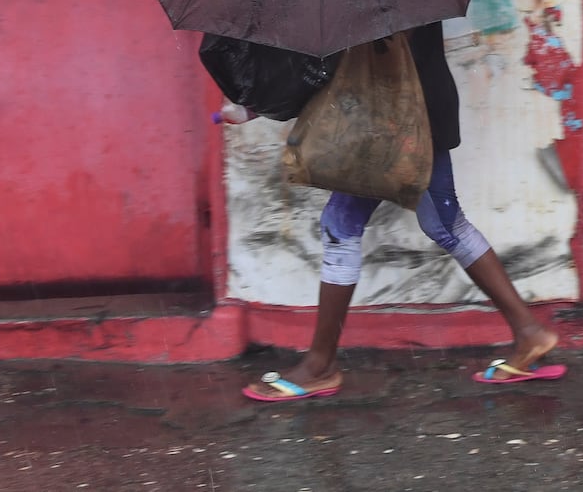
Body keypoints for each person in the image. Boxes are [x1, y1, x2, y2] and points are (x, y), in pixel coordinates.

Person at [239, 21, 563, 401]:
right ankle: (528, 332)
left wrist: (261, 103)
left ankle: (319, 366)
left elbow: (351, 57)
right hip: (414, 107)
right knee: (443, 223)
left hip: (396, 117)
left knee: (343, 227)